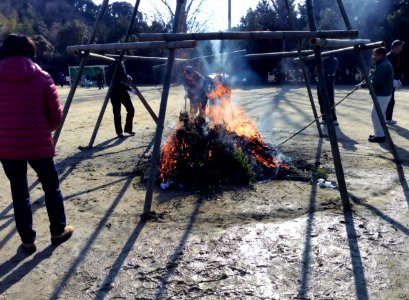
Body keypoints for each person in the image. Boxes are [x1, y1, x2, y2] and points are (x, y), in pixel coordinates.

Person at [0, 33, 74, 254]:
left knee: (19, 191)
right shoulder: (43, 77)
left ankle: (28, 241)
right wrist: (44, 130)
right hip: (39, 145)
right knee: (51, 186)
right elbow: (55, 117)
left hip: (7, 147)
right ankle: (58, 231)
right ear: (30, 51)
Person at [357, 47, 394, 143]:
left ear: (381, 55)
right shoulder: (382, 64)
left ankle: (380, 135)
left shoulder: (383, 65)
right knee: (379, 114)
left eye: (375, 54)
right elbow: (376, 77)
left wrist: (362, 86)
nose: (373, 56)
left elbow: (376, 82)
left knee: (376, 114)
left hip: (382, 93)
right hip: (384, 93)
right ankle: (379, 133)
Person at [106, 58, 135, 138]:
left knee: (131, 110)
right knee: (117, 113)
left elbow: (122, 76)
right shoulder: (115, 66)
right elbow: (117, 81)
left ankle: (128, 129)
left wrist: (126, 76)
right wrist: (130, 89)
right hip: (115, 93)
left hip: (123, 92)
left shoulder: (122, 64)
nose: (126, 58)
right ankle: (119, 132)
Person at [385, 39, 404, 125]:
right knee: (389, 100)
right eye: (400, 46)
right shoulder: (388, 56)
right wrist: (391, 80)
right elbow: (387, 70)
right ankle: (387, 119)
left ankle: (388, 118)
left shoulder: (397, 56)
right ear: (395, 47)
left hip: (394, 81)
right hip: (388, 82)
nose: (401, 48)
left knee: (391, 100)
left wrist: (398, 78)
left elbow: (398, 69)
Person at [317, 56, 339, 125]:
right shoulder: (322, 60)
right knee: (321, 100)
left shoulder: (334, 60)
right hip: (320, 81)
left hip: (329, 81)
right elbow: (316, 70)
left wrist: (322, 72)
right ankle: (324, 118)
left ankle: (334, 119)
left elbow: (331, 71)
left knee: (330, 100)